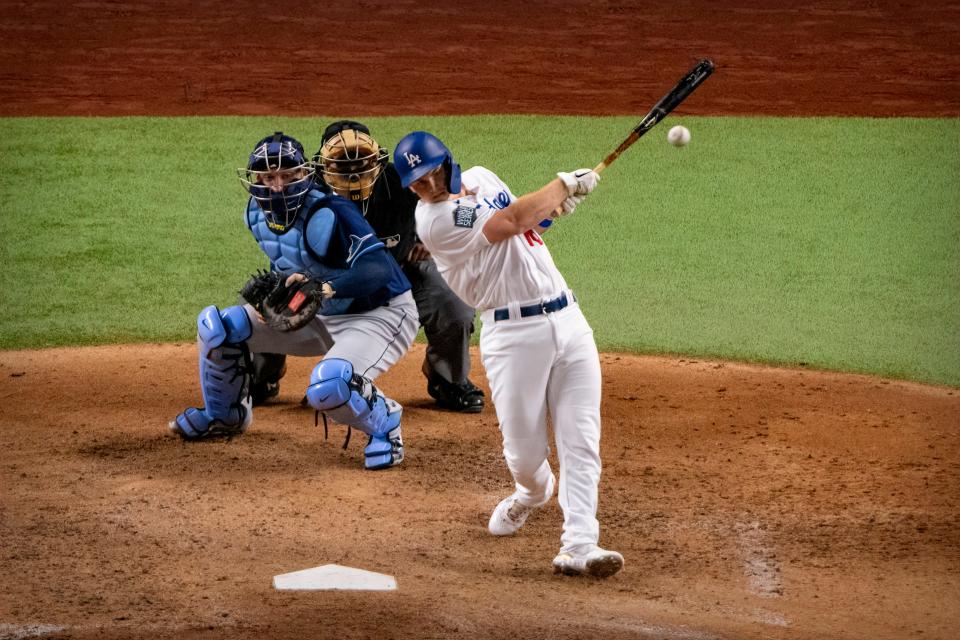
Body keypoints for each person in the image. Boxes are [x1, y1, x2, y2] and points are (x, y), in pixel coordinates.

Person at [392, 131, 623, 578]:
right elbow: (511, 221)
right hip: (514, 338)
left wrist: (554, 209)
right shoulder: (434, 220)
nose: (429, 183)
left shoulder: (481, 176)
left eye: (432, 171)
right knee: (525, 454)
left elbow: (527, 222)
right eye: (417, 181)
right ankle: (531, 493)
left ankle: (579, 545)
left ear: (447, 161)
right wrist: (563, 184)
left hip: (569, 320)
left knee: (581, 439)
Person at [170, 132, 418, 471]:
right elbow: (293, 265)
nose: (277, 185)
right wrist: (280, 290)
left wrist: (326, 288)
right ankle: (224, 415)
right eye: (269, 177)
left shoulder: (331, 211)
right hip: (319, 314)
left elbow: (376, 269)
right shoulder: (257, 216)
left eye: (288, 175)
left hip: (379, 315)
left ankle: (385, 425)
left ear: (306, 174)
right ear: (255, 180)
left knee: (329, 385)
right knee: (220, 327)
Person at [250, 121, 485, 414]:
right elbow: (284, 244)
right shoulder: (303, 192)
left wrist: (437, 236)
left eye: (362, 162)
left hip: (399, 274)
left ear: (378, 160)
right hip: (326, 278)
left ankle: (448, 380)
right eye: (341, 163)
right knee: (274, 298)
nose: (353, 171)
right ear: (321, 166)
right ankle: (260, 377)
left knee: (451, 300)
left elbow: (456, 203)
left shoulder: (404, 181)